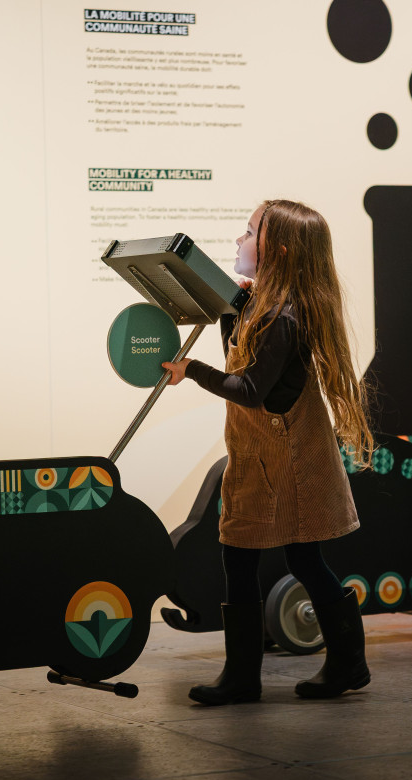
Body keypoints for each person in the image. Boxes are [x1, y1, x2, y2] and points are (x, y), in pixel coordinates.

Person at [162, 199, 373, 704]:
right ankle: (256, 674)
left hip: (292, 461)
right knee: (254, 556)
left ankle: (338, 663)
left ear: (277, 251)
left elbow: (250, 389)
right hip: (261, 457)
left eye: (249, 231)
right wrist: (233, 310)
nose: (239, 240)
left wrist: (191, 371)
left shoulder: (285, 318)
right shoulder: (265, 310)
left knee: (295, 559)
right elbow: (241, 360)